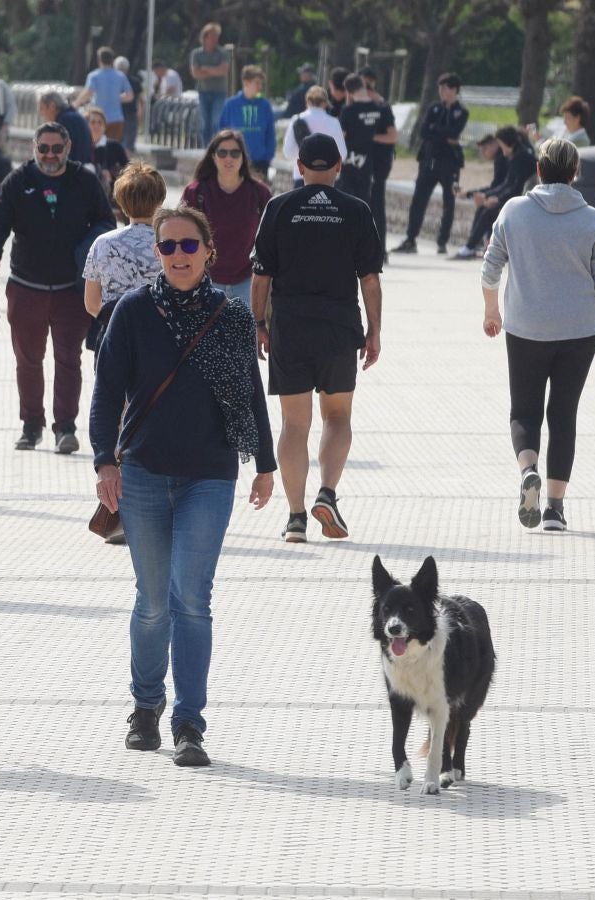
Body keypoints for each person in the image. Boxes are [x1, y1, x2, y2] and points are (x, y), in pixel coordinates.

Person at [90, 204, 277, 768]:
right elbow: (106, 392)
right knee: (153, 602)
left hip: (210, 476)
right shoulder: (132, 311)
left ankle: (189, 723)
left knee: (191, 599)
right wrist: (105, 460)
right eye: (166, 247)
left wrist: (265, 465)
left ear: (208, 251)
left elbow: (250, 391)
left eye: (187, 246)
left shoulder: (233, 315)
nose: (176, 256)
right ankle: (145, 706)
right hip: (144, 471)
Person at [479, 138, 595, 532]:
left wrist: (492, 310)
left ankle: (528, 470)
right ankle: (555, 509)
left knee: (524, 410)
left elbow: (490, 269)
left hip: (526, 326)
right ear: (575, 173)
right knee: (563, 414)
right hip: (579, 331)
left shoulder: (514, 211)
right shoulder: (592, 219)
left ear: (538, 170)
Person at [249, 133, 384, 543]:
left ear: (301, 167)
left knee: (294, 423)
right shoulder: (356, 211)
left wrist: (258, 322)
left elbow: (260, 275)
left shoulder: (279, 207)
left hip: (291, 323)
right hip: (340, 322)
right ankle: (327, 492)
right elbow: (371, 281)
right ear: (339, 167)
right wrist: (374, 330)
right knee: (337, 416)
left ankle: (295, 517)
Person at [0, 122, 115, 454]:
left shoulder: (84, 180)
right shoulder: (18, 181)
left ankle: (65, 427)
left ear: (68, 149)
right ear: (34, 148)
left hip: (72, 288)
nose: (51, 155)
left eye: (57, 149)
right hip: (27, 285)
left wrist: (88, 247)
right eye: (44, 149)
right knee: (28, 359)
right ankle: (31, 424)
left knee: (68, 359)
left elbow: (105, 221)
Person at [83, 162, 167, 362]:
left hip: (114, 336)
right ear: (159, 200)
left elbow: (91, 303)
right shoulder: (170, 245)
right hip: (159, 340)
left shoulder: (102, 244)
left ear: (122, 202)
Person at [182, 130, 272, 307]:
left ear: (243, 157)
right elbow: (182, 236)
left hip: (248, 283)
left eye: (235, 153)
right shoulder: (195, 192)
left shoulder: (259, 193)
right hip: (205, 283)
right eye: (222, 153)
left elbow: (271, 239)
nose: (228, 158)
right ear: (213, 157)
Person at [396, 73, 469, 255]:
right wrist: (443, 133)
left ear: (454, 90)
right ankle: (411, 239)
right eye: (440, 88)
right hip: (428, 160)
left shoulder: (461, 111)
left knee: (448, 201)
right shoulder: (434, 108)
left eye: (445, 88)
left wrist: (436, 130)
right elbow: (423, 131)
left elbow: (454, 132)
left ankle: (442, 241)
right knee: (419, 199)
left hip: (449, 162)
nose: (441, 92)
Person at [338, 69, 398, 252]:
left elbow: (342, 136)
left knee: (348, 207)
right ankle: (373, 249)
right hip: (371, 165)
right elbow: (392, 136)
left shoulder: (348, 110)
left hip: (351, 165)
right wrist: (371, 136)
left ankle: (348, 247)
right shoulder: (380, 109)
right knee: (369, 209)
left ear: (348, 91)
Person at [453, 126, 535, 260]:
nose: (502, 152)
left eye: (502, 147)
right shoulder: (516, 156)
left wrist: (496, 199)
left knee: (489, 211)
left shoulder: (522, 158)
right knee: (486, 207)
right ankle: (476, 245)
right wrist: (487, 196)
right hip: (517, 197)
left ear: (510, 144)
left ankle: (470, 247)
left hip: (524, 200)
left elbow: (516, 187)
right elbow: (507, 184)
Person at [219, 66, 276, 183]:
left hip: (260, 161)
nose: (260, 87)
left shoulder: (265, 105)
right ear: (246, 82)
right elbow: (222, 132)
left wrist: (267, 156)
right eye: (257, 83)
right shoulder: (231, 104)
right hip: (235, 160)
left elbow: (270, 133)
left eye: (261, 83)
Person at [282, 86, 344, 189]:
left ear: (307, 101)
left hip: (301, 177)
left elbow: (287, 152)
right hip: (328, 179)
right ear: (325, 102)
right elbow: (342, 153)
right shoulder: (333, 122)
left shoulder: (296, 120)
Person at [73, 46, 132, 143]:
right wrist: (116, 98)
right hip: (116, 119)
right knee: (113, 149)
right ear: (112, 60)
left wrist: (76, 103)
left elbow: (88, 92)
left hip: (98, 119)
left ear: (99, 60)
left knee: (96, 147)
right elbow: (130, 96)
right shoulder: (120, 76)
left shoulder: (94, 76)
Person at [189, 23, 230, 149]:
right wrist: (214, 71)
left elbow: (223, 71)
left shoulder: (222, 53)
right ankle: (205, 147)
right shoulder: (196, 54)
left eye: (216, 36)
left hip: (219, 92)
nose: (215, 39)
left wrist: (206, 69)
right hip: (203, 91)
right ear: (205, 37)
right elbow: (195, 73)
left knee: (215, 121)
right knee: (204, 122)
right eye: (212, 36)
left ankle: (217, 146)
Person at [87, 107, 130, 216]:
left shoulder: (115, 146)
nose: (96, 126)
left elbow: (129, 170)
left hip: (113, 196)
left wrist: (112, 174)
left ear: (105, 126)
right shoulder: (82, 147)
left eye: (100, 122)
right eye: (92, 122)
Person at [37, 90, 93, 167]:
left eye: (41, 108)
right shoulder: (71, 116)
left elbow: (63, 153)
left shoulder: (65, 121)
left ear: (52, 106)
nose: (40, 112)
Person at [115, 56, 143, 152]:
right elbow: (140, 99)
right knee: (128, 144)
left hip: (116, 115)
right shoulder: (135, 81)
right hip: (131, 115)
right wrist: (140, 112)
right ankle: (126, 164)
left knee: (116, 141)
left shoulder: (114, 81)